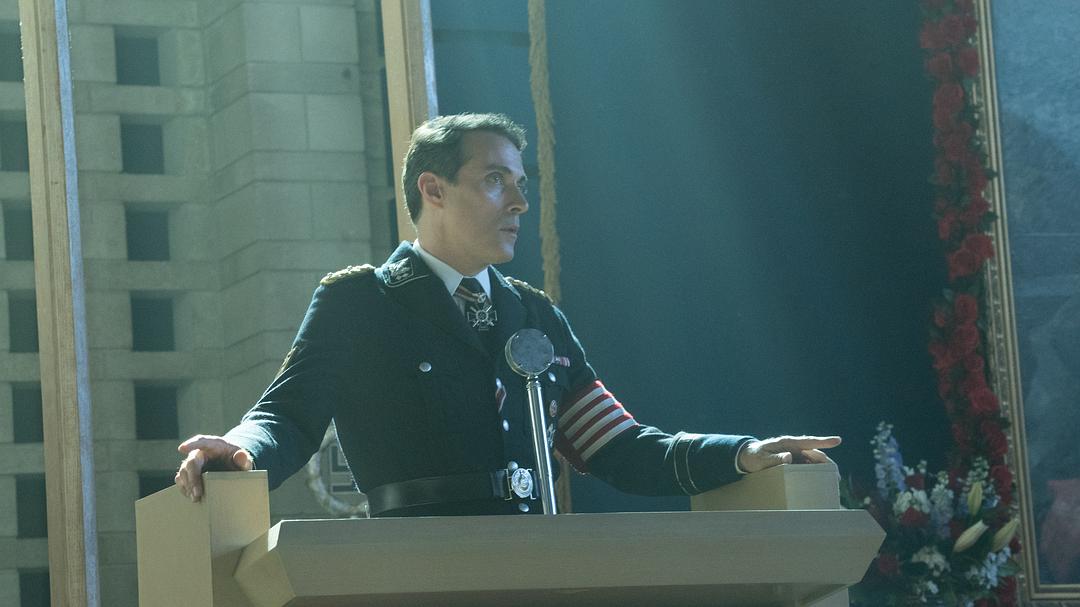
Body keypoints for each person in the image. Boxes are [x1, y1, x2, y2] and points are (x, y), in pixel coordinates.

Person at [174, 113, 840, 516]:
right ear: (433, 189)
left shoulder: (536, 315)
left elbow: (619, 447)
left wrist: (744, 453)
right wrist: (240, 449)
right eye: (495, 180)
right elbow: (284, 417)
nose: (519, 202)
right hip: (408, 572)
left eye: (521, 185)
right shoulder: (360, 303)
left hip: (535, 565)